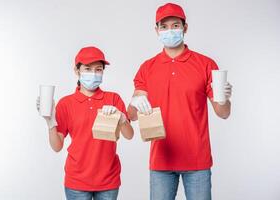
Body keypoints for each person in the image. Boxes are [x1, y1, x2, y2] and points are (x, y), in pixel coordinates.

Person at [127, 3, 233, 200]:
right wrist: (134, 102)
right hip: (161, 162)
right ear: (156, 30)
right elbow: (131, 116)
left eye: (175, 25)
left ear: (185, 28)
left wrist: (225, 97)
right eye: (164, 26)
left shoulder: (206, 64)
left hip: (197, 161)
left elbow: (223, 112)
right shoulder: (147, 68)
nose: (170, 30)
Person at [37, 46, 134, 200]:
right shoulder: (66, 103)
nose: (93, 74)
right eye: (87, 69)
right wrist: (50, 122)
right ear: (77, 71)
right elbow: (57, 146)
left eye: (98, 69)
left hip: (108, 180)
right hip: (77, 182)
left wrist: (122, 118)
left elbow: (129, 135)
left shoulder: (113, 99)